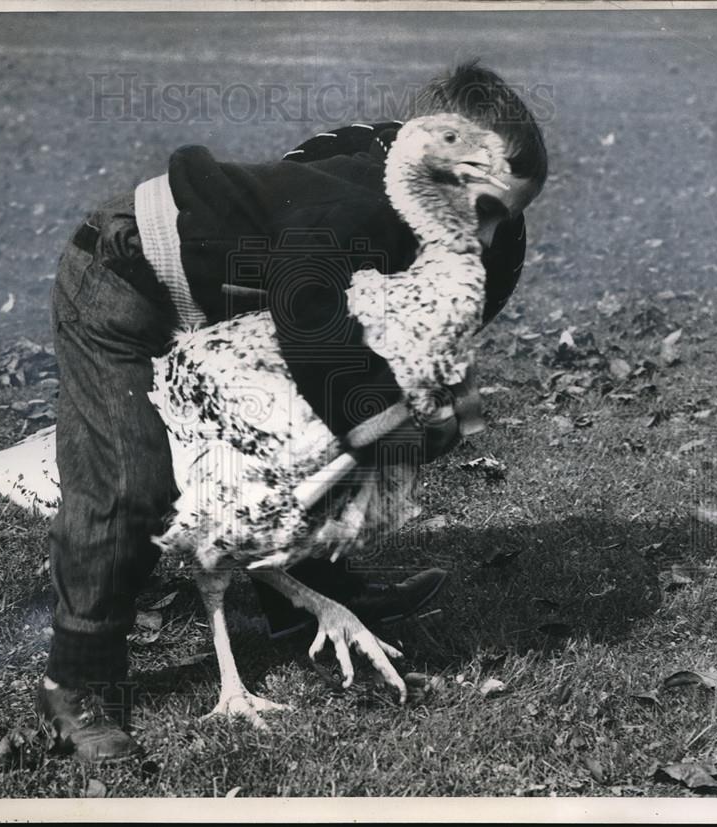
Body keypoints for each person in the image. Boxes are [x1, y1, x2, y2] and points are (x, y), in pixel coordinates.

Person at [37, 59, 548, 762]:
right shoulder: (367, 196)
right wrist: (382, 420)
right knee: (132, 482)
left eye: (506, 217)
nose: (488, 237)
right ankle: (80, 678)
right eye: (483, 210)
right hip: (127, 277)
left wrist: (437, 405)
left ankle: (299, 596)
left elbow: (412, 337)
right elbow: (305, 305)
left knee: (316, 449)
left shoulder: (465, 233)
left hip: (236, 313)